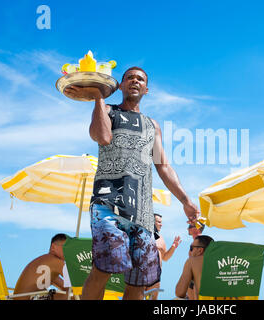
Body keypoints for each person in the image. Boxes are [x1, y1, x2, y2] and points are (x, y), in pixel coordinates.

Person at [64, 67, 200, 300]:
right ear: (121, 85)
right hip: (108, 204)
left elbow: (163, 167)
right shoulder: (107, 110)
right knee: (102, 269)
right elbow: (103, 137)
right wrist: (98, 96)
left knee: (139, 281)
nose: (135, 81)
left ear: (146, 89)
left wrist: (186, 201)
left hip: (143, 212)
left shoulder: (152, 125)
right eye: (130, 78)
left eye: (140, 79)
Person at [13, 234, 68, 300]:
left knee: (70, 294)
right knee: (74, 296)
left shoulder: (47, 265)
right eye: (65, 247)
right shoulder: (55, 261)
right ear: (53, 247)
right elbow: (75, 282)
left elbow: (67, 287)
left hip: (22, 297)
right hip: (28, 298)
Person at [145, 213, 182, 299]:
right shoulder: (143, 234)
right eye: (159, 222)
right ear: (152, 222)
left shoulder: (161, 238)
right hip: (141, 273)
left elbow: (165, 257)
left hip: (155, 276)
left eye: (161, 222)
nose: (161, 224)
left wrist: (173, 246)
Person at [175, 235, 214, 300]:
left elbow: (180, 293)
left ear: (200, 250)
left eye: (191, 248)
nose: (189, 252)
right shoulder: (224, 263)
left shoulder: (192, 262)